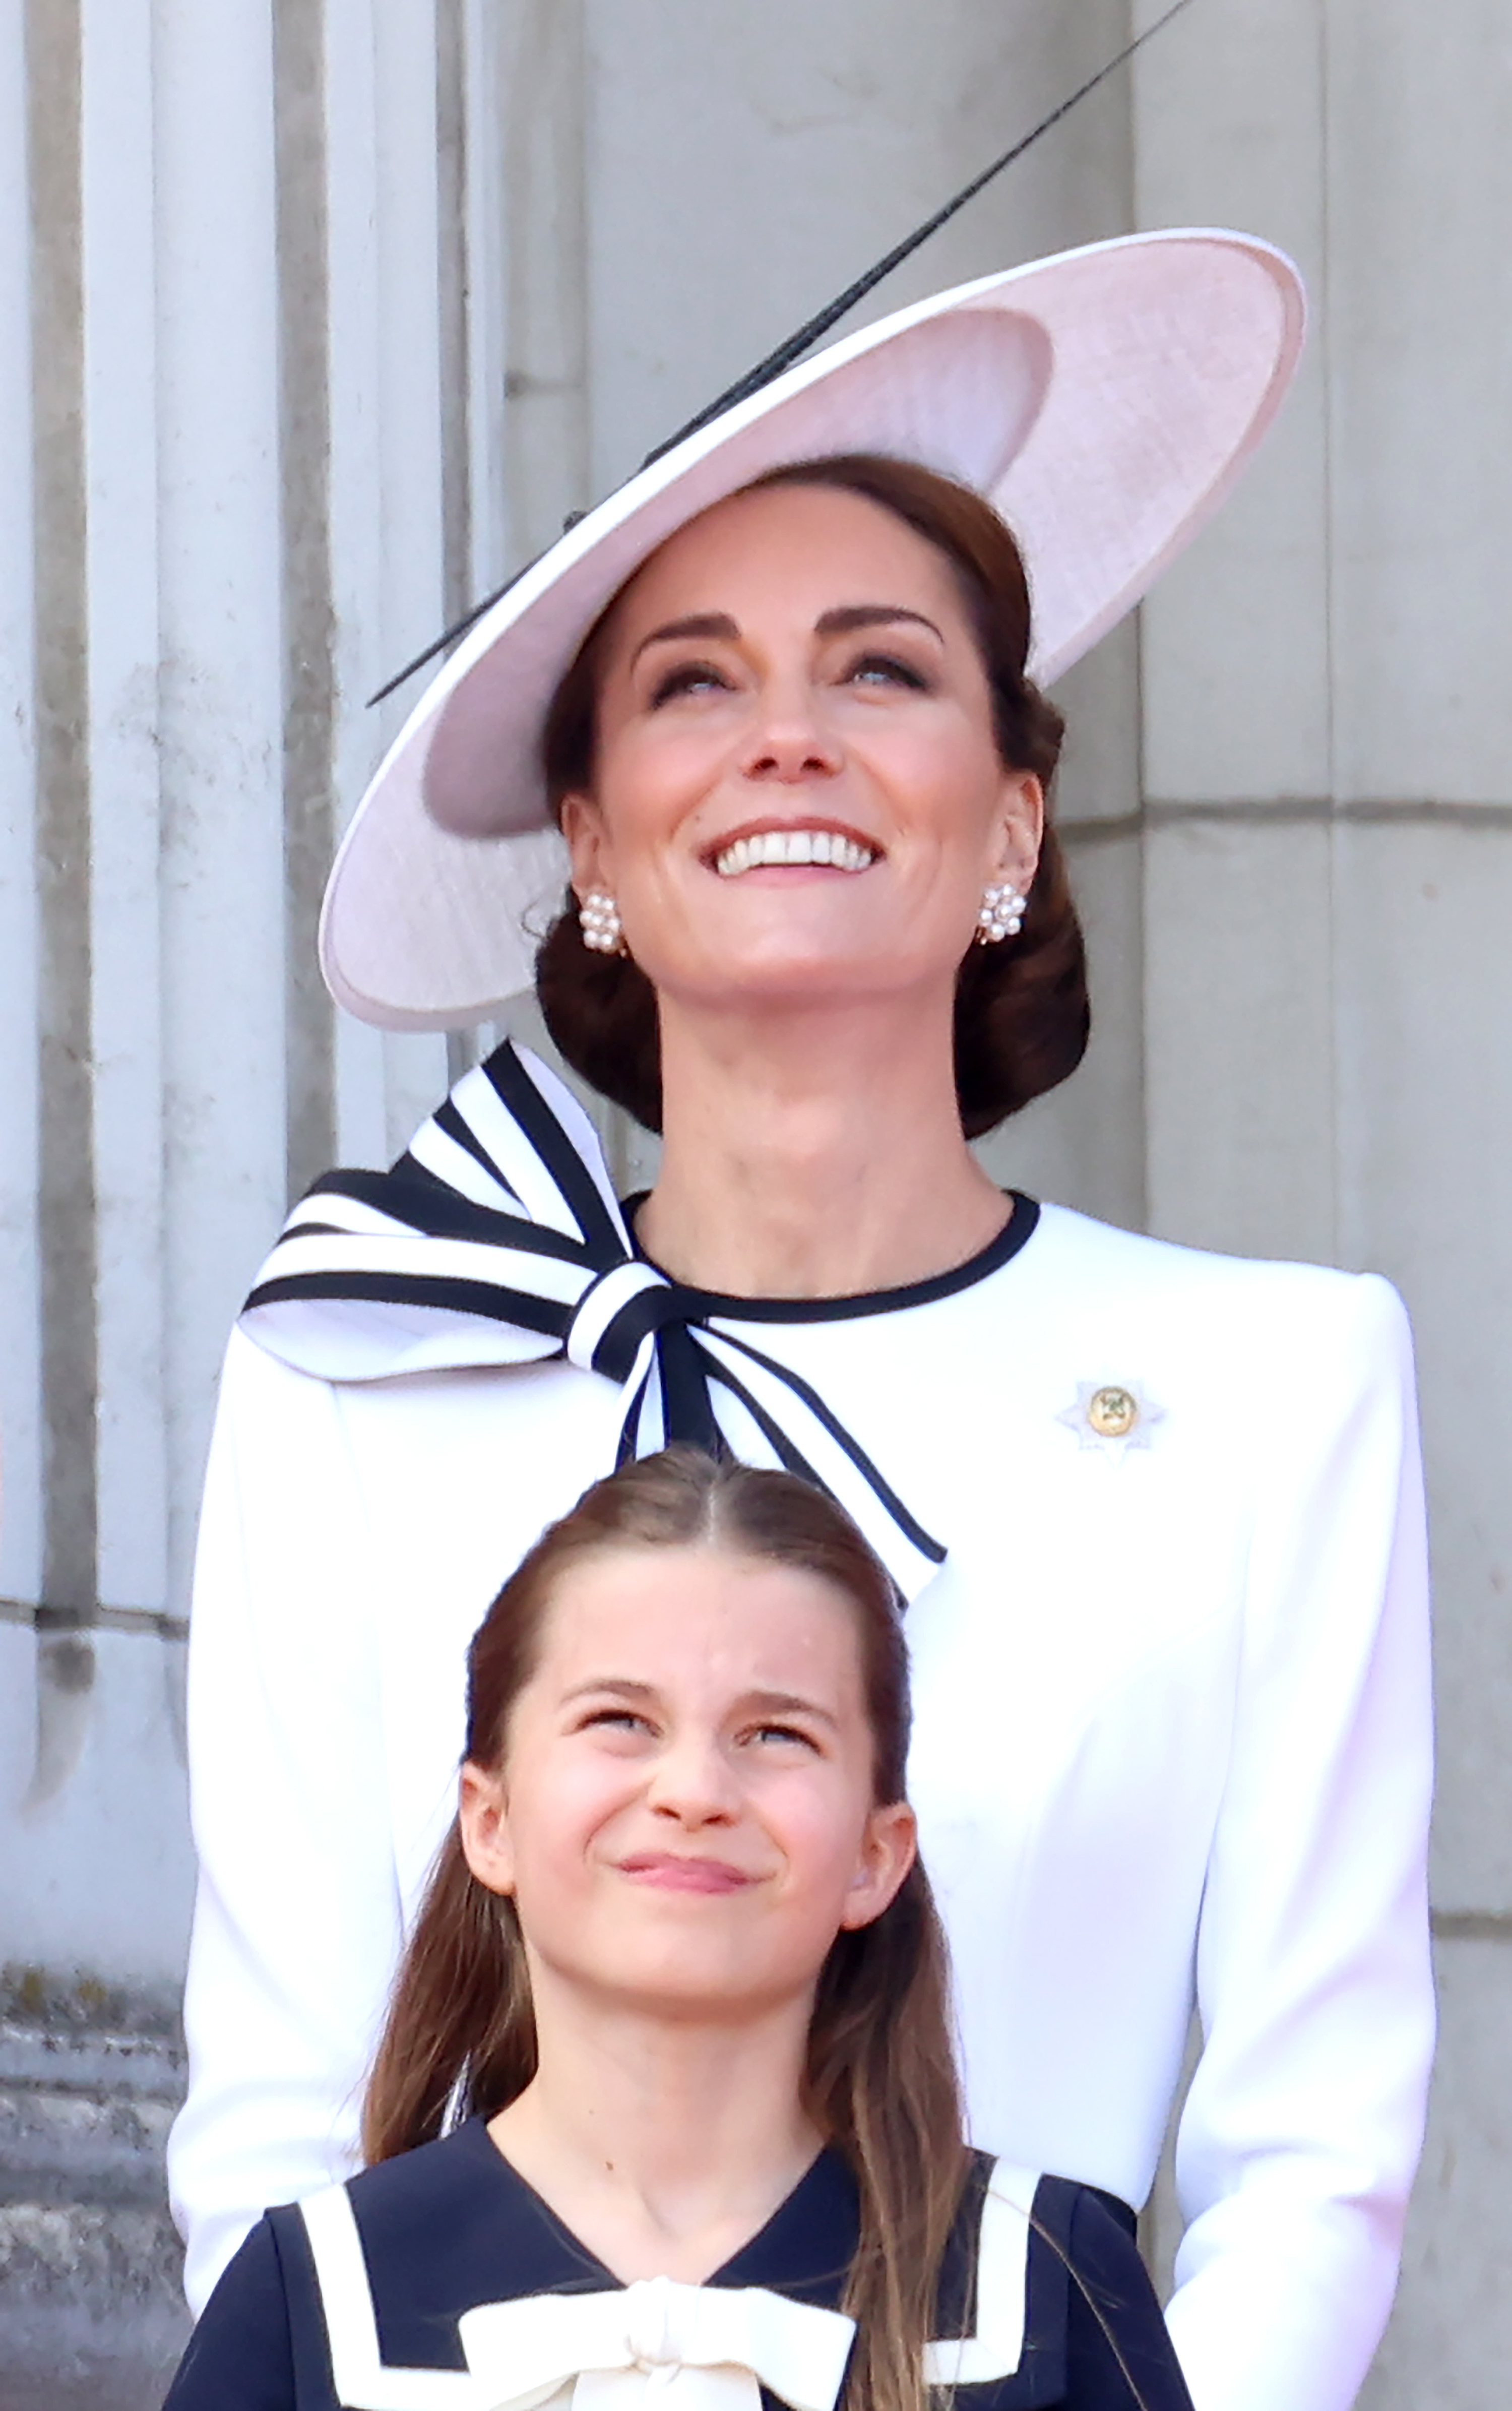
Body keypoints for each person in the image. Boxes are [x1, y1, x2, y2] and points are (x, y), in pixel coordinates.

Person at [168, 234, 1432, 2411]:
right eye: (690, 680)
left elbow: (1311, 2158)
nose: (785, 739)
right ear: (587, 836)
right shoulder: (361, 1366)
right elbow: (275, 2120)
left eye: (878, 670)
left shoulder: (1275, 1383)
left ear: (1013, 812)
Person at [163, 1449, 1192, 2411]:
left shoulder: (1043, 2284)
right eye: (621, 1720)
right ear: (491, 1819)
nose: (696, 1789)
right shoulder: (316, 2297)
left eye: (776, 1733)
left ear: (878, 1854)